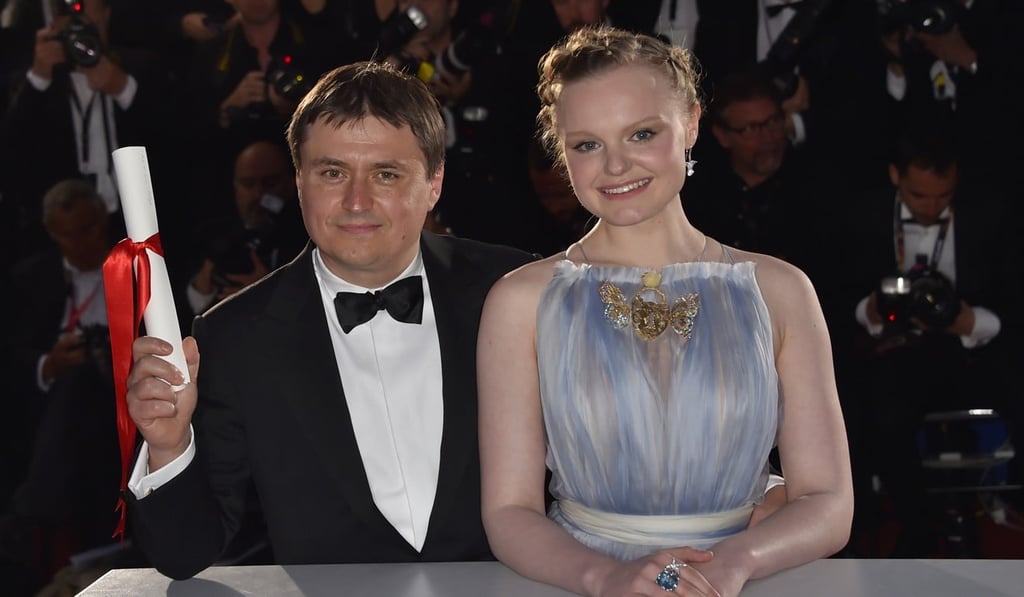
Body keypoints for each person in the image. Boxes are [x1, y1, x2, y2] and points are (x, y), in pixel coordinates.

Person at [122, 60, 535, 579]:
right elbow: (185, 555)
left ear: (433, 184)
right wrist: (168, 444)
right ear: (299, 181)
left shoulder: (514, 289)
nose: (356, 201)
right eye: (332, 172)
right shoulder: (235, 337)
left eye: (386, 174)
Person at [478, 27, 852, 597]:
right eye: (586, 144)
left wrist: (733, 563)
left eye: (641, 133)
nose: (615, 165)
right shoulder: (520, 300)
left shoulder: (779, 289)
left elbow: (828, 501)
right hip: (578, 582)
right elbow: (509, 511)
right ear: (561, 149)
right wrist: (605, 578)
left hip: (744, 579)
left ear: (693, 124)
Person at [839, 115, 1022, 557]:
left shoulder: (992, 212)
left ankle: (1010, 498)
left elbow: (1014, 296)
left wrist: (971, 321)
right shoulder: (863, 214)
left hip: (977, 346)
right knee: (879, 408)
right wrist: (873, 310)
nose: (931, 207)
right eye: (919, 195)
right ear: (895, 175)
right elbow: (833, 296)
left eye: (944, 196)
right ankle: (915, 526)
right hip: (898, 351)